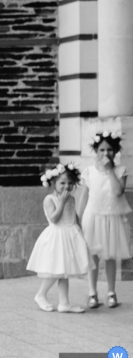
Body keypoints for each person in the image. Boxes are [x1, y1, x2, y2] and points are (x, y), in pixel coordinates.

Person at [78, 131, 132, 308]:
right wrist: (77, 219)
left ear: (115, 150)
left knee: (109, 256)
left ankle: (111, 292)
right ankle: (92, 293)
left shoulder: (120, 171)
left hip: (111, 218)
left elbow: (118, 192)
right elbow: (83, 197)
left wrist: (110, 171)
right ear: (96, 150)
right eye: (102, 149)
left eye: (110, 149)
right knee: (93, 256)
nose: (106, 153)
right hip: (92, 217)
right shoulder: (89, 171)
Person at [27, 164, 90, 313]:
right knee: (56, 271)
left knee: (64, 271)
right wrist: (61, 203)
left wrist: (79, 229)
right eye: (62, 183)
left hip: (70, 236)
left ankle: (64, 303)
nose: (66, 186)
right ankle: (41, 295)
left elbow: (73, 217)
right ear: (53, 183)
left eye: (70, 183)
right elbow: (54, 219)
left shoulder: (71, 199)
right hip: (56, 238)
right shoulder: (50, 199)